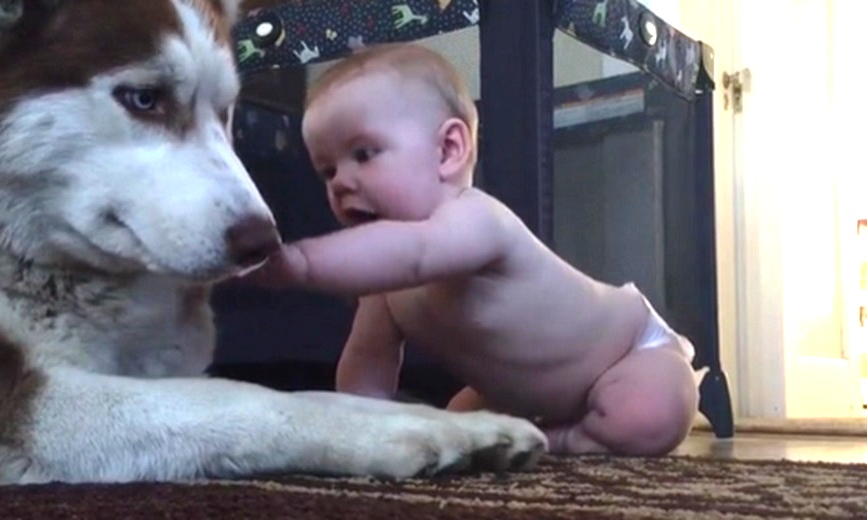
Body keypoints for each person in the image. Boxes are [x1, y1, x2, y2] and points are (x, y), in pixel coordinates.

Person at [247, 43, 699, 455]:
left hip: (629, 353)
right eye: (327, 171)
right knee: (455, 429)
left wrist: (302, 263)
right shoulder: (384, 287)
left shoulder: (479, 219)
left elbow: (415, 252)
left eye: (363, 154)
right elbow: (367, 364)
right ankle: (530, 433)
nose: (341, 182)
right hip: (514, 395)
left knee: (647, 414)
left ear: (448, 149)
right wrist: (358, 431)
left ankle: (560, 441)